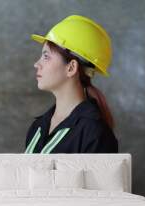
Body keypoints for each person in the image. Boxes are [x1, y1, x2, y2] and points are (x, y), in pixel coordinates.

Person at [25, 15, 118, 154]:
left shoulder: (95, 134)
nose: (36, 64)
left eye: (46, 56)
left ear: (71, 68)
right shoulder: (37, 127)